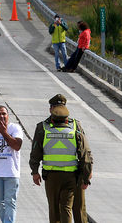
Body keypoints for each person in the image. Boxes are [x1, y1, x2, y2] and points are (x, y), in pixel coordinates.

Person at [29, 94, 92, 223]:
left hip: (52, 177)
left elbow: (35, 152)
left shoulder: (42, 127)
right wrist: (86, 175)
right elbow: (85, 153)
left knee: (54, 210)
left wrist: (35, 171)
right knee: (70, 208)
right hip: (73, 175)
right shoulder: (76, 126)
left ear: (50, 109)